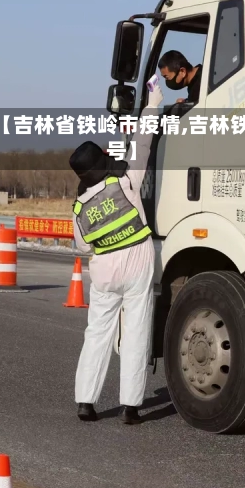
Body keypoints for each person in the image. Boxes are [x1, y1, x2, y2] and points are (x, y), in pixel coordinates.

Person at [69, 82, 164, 425]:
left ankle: (86, 402)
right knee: (136, 332)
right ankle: (131, 407)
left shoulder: (80, 207)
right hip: (138, 264)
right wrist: (153, 101)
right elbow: (143, 141)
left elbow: (82, 246)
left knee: (97, 333)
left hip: (105, 272)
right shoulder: (125, 180)